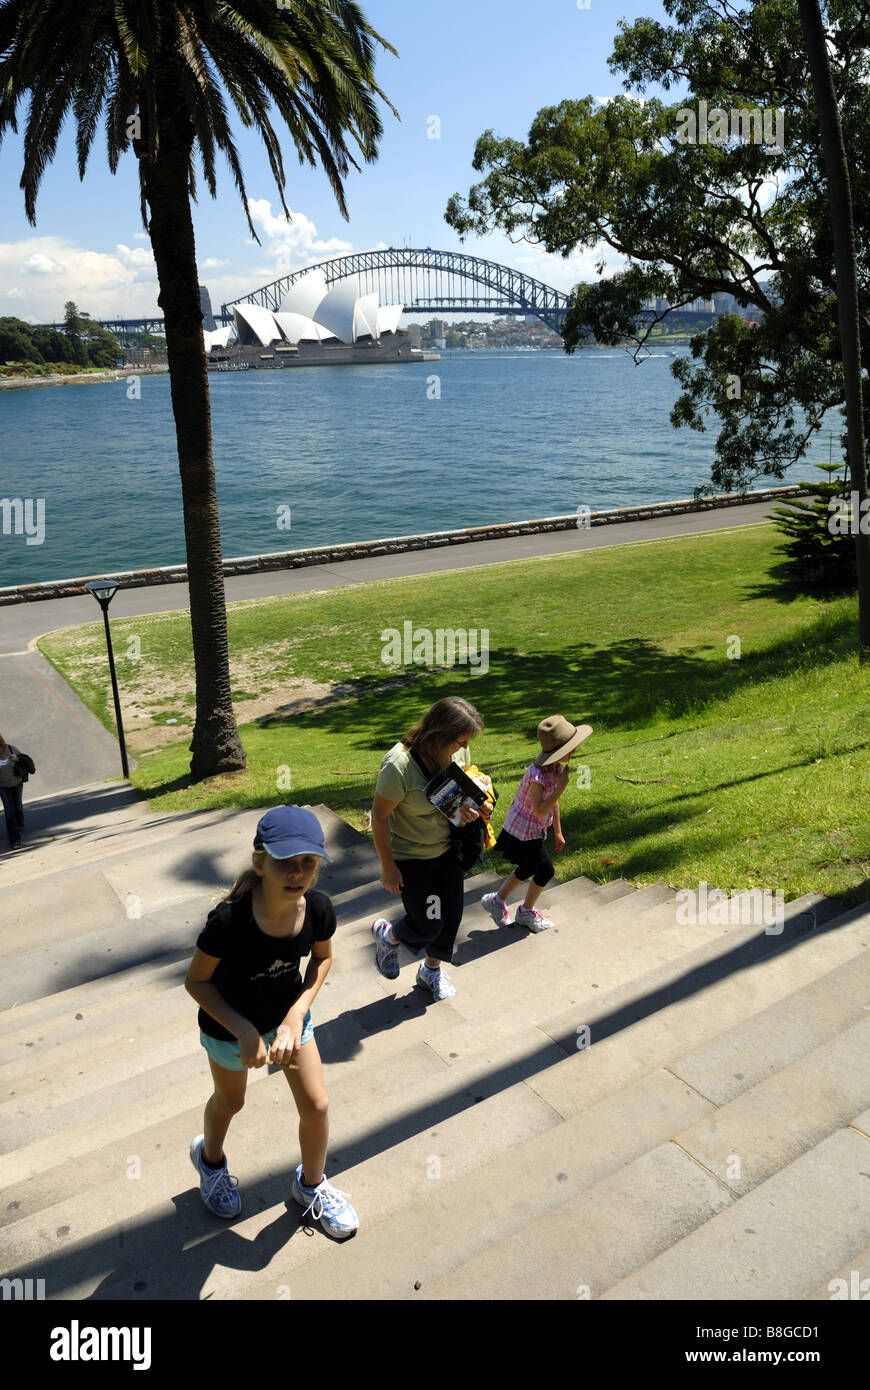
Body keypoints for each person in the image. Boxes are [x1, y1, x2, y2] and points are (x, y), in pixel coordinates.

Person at [184, 804, 358, 1239]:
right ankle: (210, 1163)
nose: (297, 873)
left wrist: (296, 1015)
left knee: (317, 1106)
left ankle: (311, 1186)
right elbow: (197, 983)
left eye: (308, 863)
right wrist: (244, 1030)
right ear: (260, 862)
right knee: (230, 1103)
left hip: (289, 1022)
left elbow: (321, 959)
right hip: (228, 1029)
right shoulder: (229, 921)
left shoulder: (317, 908)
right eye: (285, 862)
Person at [370, 696, 484, 1001]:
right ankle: (388, 935)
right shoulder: (399, 765)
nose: (463, 747)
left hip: (449, 852)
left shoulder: (457, 753)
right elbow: (379, 818)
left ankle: (430, 971)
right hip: (412, 858)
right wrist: (388, 867)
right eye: (459, 741)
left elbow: (460, 789)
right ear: (440, 735)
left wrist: (471, 807)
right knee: (428, 925)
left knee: (450, 921)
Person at [481, 716, 592, 932]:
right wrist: (560, 787)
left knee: (529, 866)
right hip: (521, 832)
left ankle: (496, 900)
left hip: (533, 830)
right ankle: (525, 912)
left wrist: (558, 831)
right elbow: (540, 808)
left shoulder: (556, 769)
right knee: (545, 870)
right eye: (571, 748)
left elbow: (553, 804)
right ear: (560, 750)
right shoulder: (537, 775)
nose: (574, 751)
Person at [0, 734, 25, 852]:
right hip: (3, 786)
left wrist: (18, 758)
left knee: (17, 806)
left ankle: (20, 822)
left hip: (17, 782)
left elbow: (24, 759)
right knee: (9, 812)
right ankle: (15, 840)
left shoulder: (10, 748)